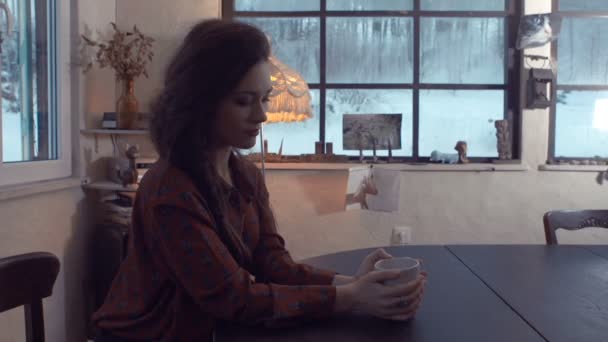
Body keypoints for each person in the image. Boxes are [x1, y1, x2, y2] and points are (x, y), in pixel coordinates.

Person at [92, 19, 427, 341]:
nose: (262, 115)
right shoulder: (171, 191)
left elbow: (272, 262)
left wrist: (352, 282)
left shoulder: (244, 174)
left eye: (264, 98)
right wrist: (349, 297)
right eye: (243, 101)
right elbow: (235, 298)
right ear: (200, 103)